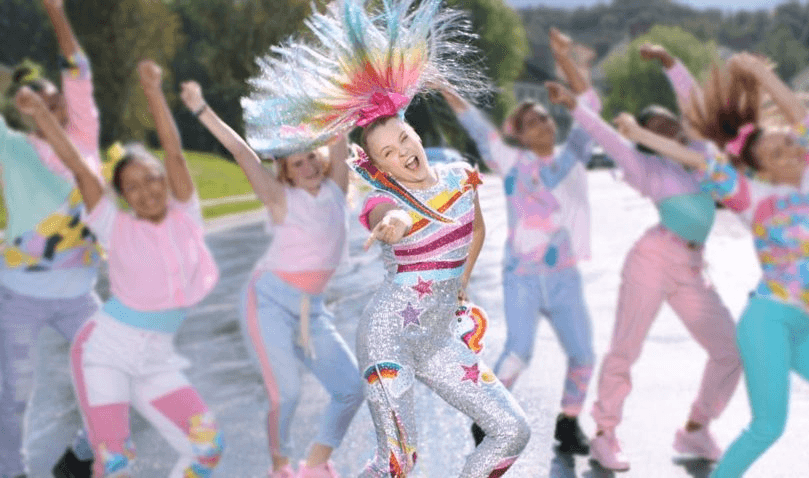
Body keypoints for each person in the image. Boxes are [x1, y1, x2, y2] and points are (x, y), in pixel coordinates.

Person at [240, 0, 530, 475]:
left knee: (512, 430)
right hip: (388, 335)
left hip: (438, 338)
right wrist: (392, 224)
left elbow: (476, 227)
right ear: (381, 167)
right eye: (389, 154)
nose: (403, 153)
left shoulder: (461, 177)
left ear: (415, 133)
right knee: (397, 465)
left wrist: (462, 281)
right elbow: (389, 216)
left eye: (404, 139)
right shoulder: (382, 198)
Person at [615, 51, 809, 478]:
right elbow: (696, 160)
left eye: (789, 144)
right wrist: (639, 134)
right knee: (768, 427)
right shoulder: (754, 198)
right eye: (776, 152)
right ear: (762, 169)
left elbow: (800, 116)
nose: (789, 152)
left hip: (802, 325)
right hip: (768, 322)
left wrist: (760, 72)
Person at [15, 59, 224, 478]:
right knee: (116, 464)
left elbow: (173, 149)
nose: (146, 191)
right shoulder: (115, 227)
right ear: (123, 197)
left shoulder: (186, 214)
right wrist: (40, 115)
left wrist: (153, 91)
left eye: (151, 179)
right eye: (132, 187)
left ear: (165, 179)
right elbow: (79, 166)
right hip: (104, 353)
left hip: (155, 358)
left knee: (207, 448)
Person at [557, 43, 742, 471]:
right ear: (648, 138)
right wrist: (573, 106)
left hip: (693, 268)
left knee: (730, 349)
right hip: (653, 260)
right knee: (625, 349)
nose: (668, 129)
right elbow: (608, 136)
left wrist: (671, 62)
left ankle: (696, 428)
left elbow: (693, 103)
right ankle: (605, 434)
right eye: (655, 127)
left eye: (669, 123)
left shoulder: (700, 155)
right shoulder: (647, 169)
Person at [181, 81, 363, 478]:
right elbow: (241, 152)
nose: (308, 166)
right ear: (286, 172)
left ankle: (315, 464)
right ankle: (280, 466)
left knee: (351, 388)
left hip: (312, 311)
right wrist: (201, 109)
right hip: (269, 303)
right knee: (287, 393)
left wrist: (340, 83)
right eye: (297, 164)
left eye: (311, 157)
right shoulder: (281, 198)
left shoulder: (336, 189)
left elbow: (340, 131)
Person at [439, 27, 600, 456]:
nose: (542, 122)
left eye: (544, 117)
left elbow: (591, 107)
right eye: (531, 122)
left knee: (584, 356)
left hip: (564, 275)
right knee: (518, 352)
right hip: (523, 276)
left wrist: (564, 60)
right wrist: (444, 86)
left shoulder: (571, 158)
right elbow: (477, 126)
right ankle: (487, 415)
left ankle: (569, 422)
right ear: (521, 136)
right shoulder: (512, 163)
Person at [0, 1, 101, 476]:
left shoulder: (84, 135)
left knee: (109, 374)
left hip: (79, 293)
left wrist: (58, 15)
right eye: (41, 103)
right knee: (14, 393)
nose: (56, 104)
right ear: (25, 113)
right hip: (20, 292)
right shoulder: (14, 148)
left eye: (57, 98)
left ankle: (80, 457)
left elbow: (77, 70)